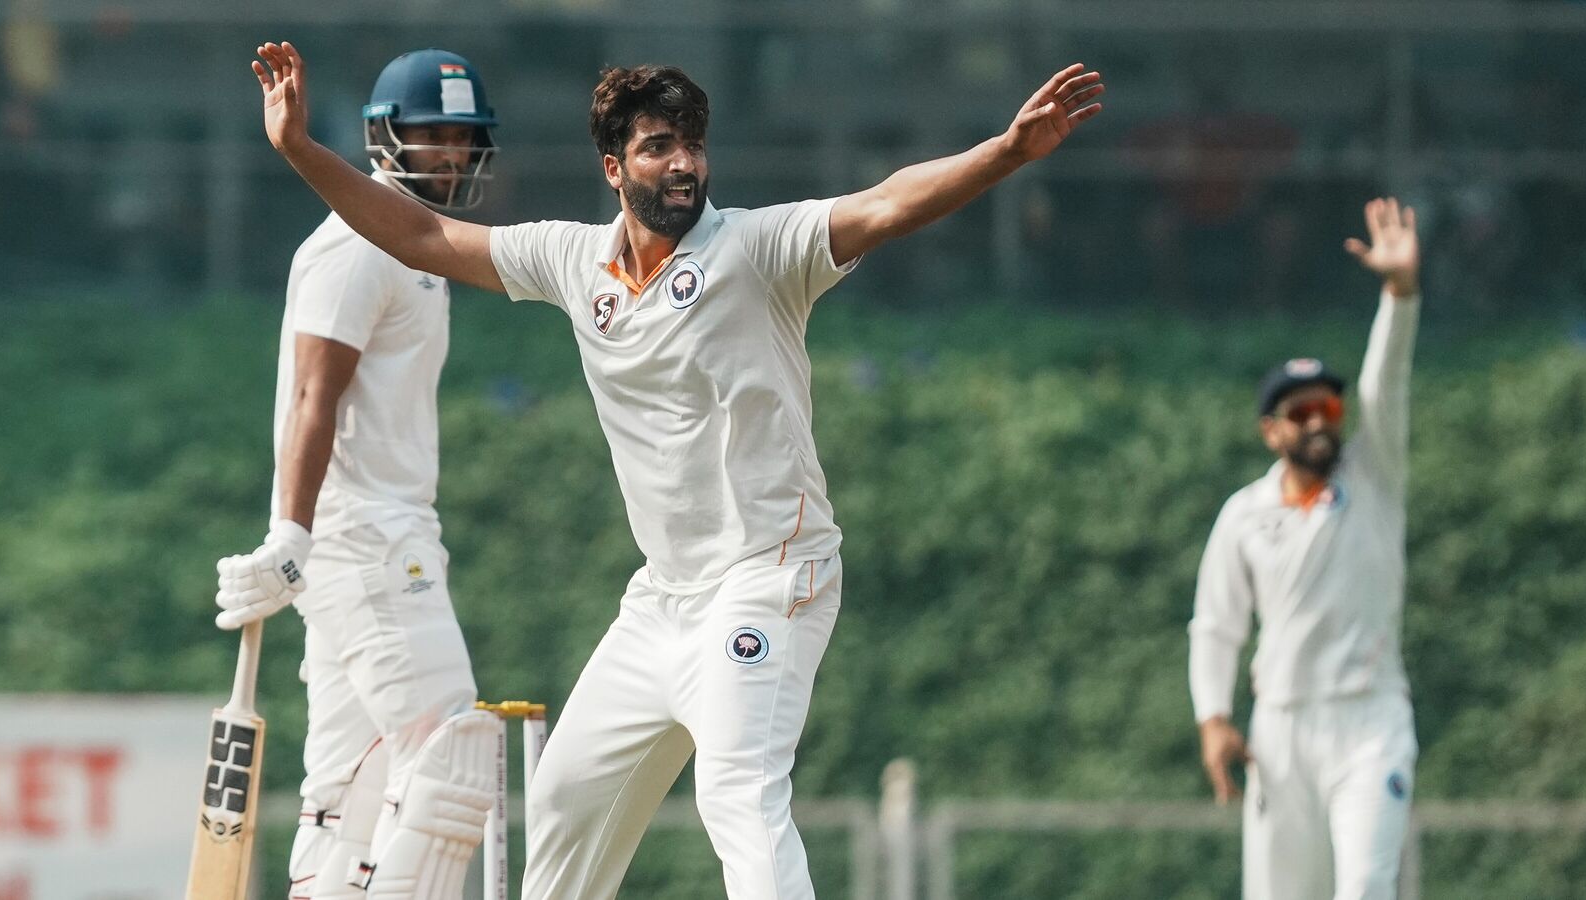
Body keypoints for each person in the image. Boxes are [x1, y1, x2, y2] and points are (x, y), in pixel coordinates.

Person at [249, 39, 1104, 899]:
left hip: (770, 577)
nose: (684, 163)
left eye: (693, 144)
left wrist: (1005, 152)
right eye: (659, 146)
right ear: (614, 167)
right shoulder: (573, 262)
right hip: (662, 601)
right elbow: (425, 233)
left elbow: (883, 205)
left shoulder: (760, 250)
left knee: (737, 794)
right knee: (563, 802)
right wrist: (299, 150)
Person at [214, 48, 502, 900]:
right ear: (383, 137)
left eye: (463, 136)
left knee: (350, 790)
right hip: (363, 539)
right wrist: (292, 537)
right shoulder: (353, 246)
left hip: (381, 535)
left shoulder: (416, 242)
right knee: (450, 749)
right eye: (432, 134)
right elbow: (314, 394)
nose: (450, 153)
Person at [1188, 197, 1422, 900]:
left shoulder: (1374, 475)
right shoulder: (1245, 516)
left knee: (1365, 890)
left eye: (1329, 407)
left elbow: (1388, 384)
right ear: (1271, 431)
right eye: (1301, 411)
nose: (1320, 421)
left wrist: (1399, 293)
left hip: (1370, 718)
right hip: (1281, 729)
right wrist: (1214, 720)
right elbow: (1217, 624)